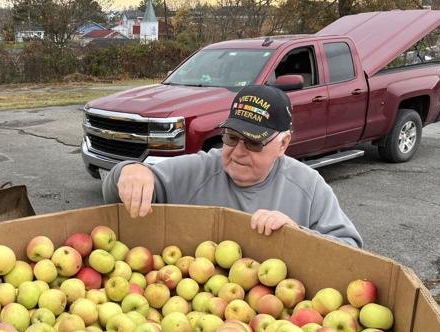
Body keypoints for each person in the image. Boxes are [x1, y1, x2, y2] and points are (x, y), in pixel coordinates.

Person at [102, 84, 363, 248]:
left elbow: (349, 247)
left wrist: (298, 236)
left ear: (283, 144)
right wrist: (129, 170)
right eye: (231, 137)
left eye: (253, 143)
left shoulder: (308, 185)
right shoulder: (199, 170)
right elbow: (117, 193)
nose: (237, 152)